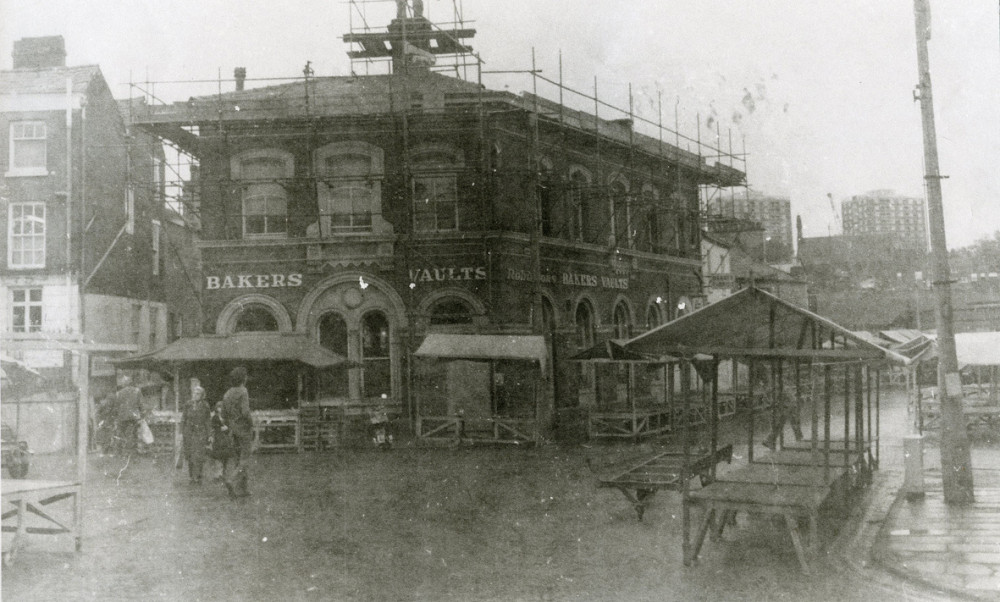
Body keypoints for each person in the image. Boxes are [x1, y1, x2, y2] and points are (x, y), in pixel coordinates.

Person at [221, 366, 253, 498]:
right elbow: (245, 411)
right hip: (244, 429)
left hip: (233, 430)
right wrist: (251, 422)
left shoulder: (227, 393)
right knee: (244, 459)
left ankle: (242, 489)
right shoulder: (243, 391)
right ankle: (231, 480)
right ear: (243, 378)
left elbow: (223, 414)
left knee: (237, 459)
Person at [181, 381, 211, 484]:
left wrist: (209, 434)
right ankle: (191, 476)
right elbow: (183, 418)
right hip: (189, 432)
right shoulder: (188, 404)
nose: (195, 395)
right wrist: (182, 432)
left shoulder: (205, 405)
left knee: (199, 455)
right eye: (194, 393)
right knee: (189, 454)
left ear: (202, 395)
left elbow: (207, 420)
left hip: (200, 432)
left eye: (198, 393)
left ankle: (198, 476)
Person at [763, 379, 804, 449]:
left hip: (787, 406)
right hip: (786, 407)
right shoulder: (780, 389)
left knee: (784, 423)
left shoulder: (783, 389)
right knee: (785, 423)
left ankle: (769, 440)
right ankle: (769, 440)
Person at [114, 375, 144, 456]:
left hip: (122, 416)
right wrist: (142, 415)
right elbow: (141, 405)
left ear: (124, 384)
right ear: (131, 382)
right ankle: (131, 452)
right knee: (132, 434)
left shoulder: (118, 393)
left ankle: (120, 452)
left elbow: (116, 406)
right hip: (133, 417)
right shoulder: (137, 391)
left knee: (121, 434)